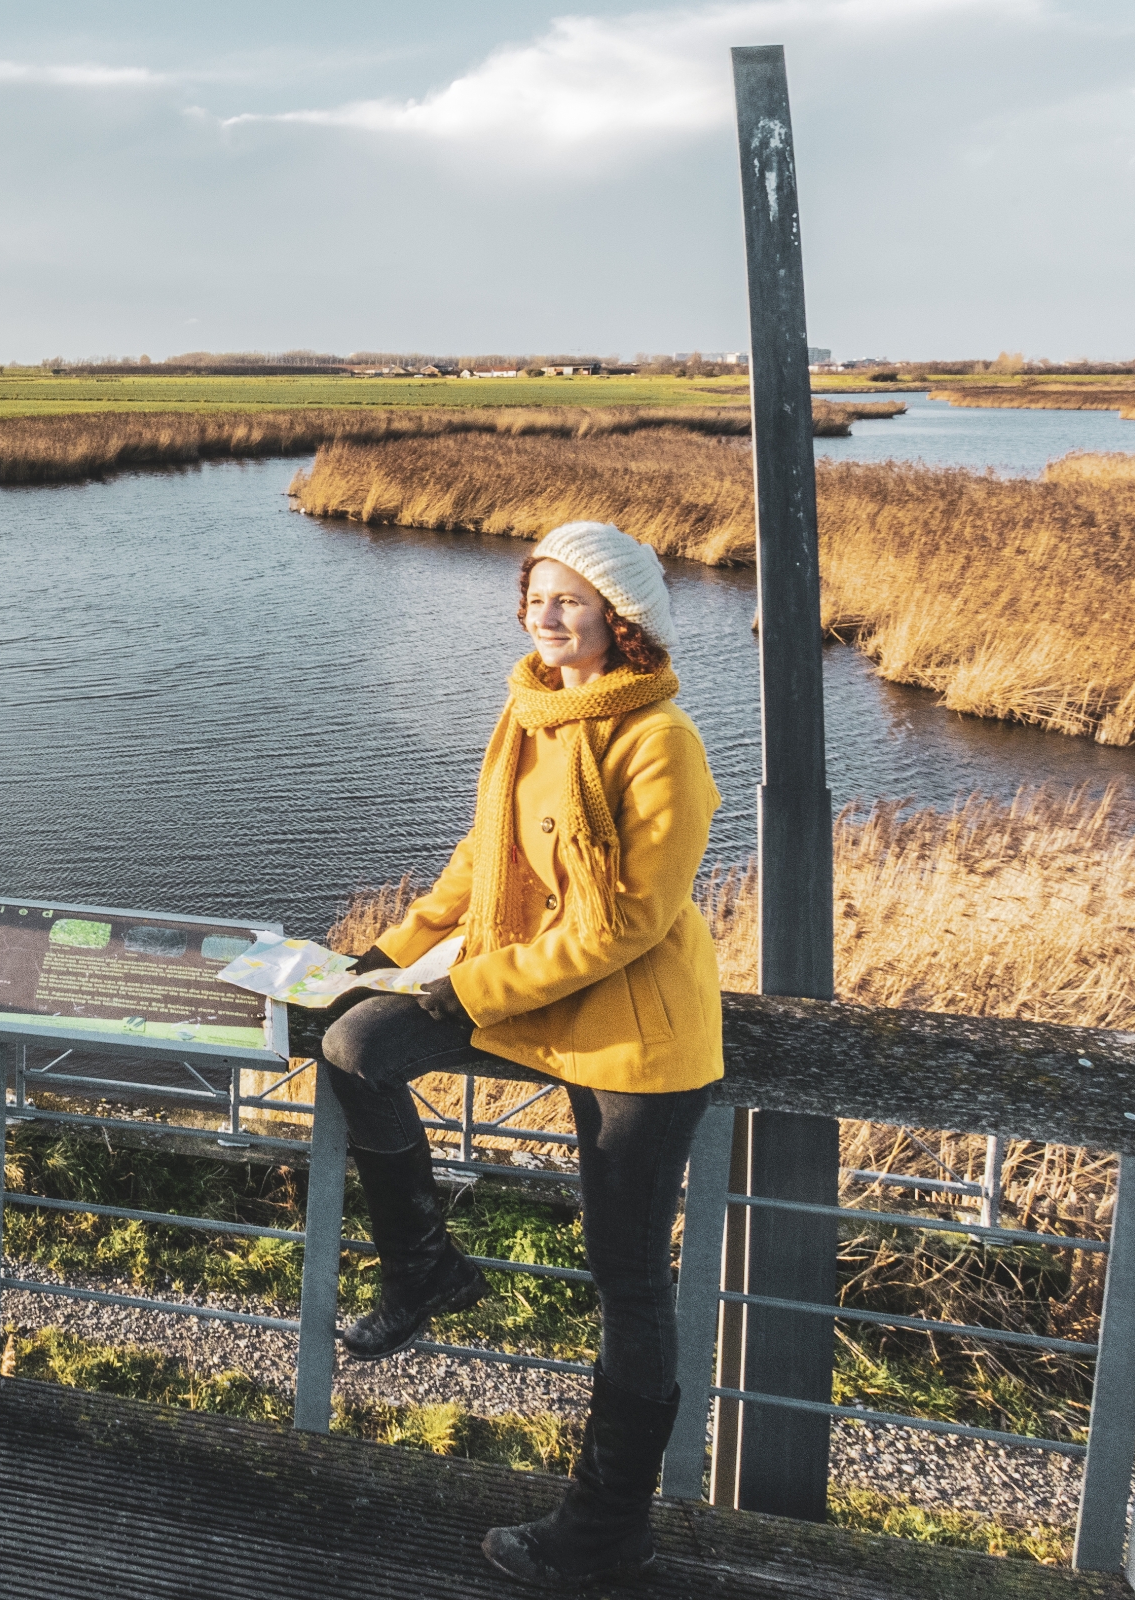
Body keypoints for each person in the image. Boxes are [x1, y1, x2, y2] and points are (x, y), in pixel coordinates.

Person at [323, 520, 723, 1589]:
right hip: (521, 993)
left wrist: (463, 986)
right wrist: (390, 950)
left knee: (626, 1281)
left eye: (569, 598)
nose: (545, 613)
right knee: (356, 1039)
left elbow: (628, 925)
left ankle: (603, 1533)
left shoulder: (659, 739)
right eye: (535, 594)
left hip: (635, 1033)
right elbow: (480, 857)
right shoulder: (529, 707)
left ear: (620, 620)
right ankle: (426, 1266)